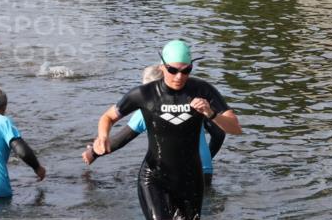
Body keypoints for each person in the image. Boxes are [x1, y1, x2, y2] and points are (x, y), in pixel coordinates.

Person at [92, 40, 241, 220]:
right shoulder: (144, 94)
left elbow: (235, 128)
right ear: (162, 66)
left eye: (186, 71)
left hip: (191, 179)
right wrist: (103, 136)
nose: (179, 76)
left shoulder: (202, 90)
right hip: (154, 176)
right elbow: (108, 117)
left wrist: (211, 113)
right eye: (172, 70)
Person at [83, 65, 225, 187]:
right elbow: (219, 133)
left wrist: (93, 153)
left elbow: (121, 140)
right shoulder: (194, 103)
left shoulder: (151, 108)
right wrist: (205, 160)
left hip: (173, 175)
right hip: (203, 173)